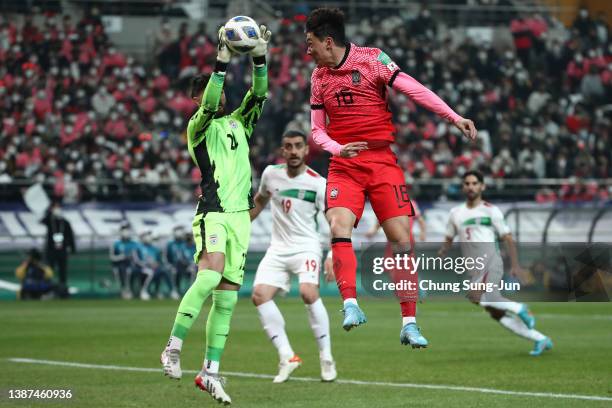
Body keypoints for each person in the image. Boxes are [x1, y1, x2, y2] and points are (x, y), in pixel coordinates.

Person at [305, 8, 477, 347]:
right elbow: (316, 132)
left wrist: (452, 116)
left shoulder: (372, 60)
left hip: (382, 160)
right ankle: (350, 304)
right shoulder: (318, 78)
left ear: (328, 42)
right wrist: (338, 150)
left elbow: (413, 88)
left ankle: (409, 323)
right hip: (344, 165)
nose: (307, 51)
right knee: (338, 226)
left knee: (401, 239)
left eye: (310, 43)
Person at [160, 24, 271, 405]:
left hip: (241, 217)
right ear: (196, 97)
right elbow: (208, 104)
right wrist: (222, 60)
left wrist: (259, 56)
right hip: (214, 213)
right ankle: (172, 347)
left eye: (221, 89)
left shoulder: (240, 121)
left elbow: (259, 92)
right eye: (211, 90)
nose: (220, 95)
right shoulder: (197, 126)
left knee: (226, 300)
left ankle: (209, 372)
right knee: (208, 277)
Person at [250, 130, 336, 383]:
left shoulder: (318, 183)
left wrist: (332, 253)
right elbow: (259, 201)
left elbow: (333, 221)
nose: (294, 151)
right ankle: (287, 356)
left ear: (306, 150)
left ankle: (326, 356)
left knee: (308, 293)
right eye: (288, 146)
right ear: (282, 151)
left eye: (299, 146)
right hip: (277, 247)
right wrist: (239, 224)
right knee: (259, 295)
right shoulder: (270, 174)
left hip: (307, 245)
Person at [438, 171, 553, 356]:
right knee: (493, 311)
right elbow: (449, 237)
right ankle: (540, 339)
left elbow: (507, 237)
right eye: (467, 183)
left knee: (481, 298)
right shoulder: (455, 213)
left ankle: (519, 308)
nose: (470, 186)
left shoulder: (491, 210)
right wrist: (443, 251)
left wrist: (515, 265)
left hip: (489, 259)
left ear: (482, 186)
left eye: (475, 183)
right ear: (463, 187)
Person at [41, 201, 76, 298]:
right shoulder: (50, 221)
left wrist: (72, 248)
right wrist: (49, 212)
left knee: (63, 271)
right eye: (55, 207)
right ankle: (48, 290)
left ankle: (63, 291)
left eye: (58, 207)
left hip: (62, 250)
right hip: (51, 250)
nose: (57, 209)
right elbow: (42, 221)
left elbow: (70, 236)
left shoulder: (65, 222)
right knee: (49, 270)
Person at [109, 222, 138, 299]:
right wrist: (122, 257)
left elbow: (136, 257)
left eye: (127, 230)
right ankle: (124, 290)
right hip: (119, 266)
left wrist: (132, 258)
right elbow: (112, 257)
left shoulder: (134, 243)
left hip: (133, 265)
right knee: (122, 269)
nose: (126, 232)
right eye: (124, 230)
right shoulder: (116, 243)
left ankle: (131, 290)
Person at [166, 226, 193, 295]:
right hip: (174, 265)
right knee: (174, 272)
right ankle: (174, 290)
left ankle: (190, 291)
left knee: (192, 271)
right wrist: (169, 265)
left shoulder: (186, 244)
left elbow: (188, 256)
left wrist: (190, 264)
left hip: (186, 265)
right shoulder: (170, 244)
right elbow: (167, 256)